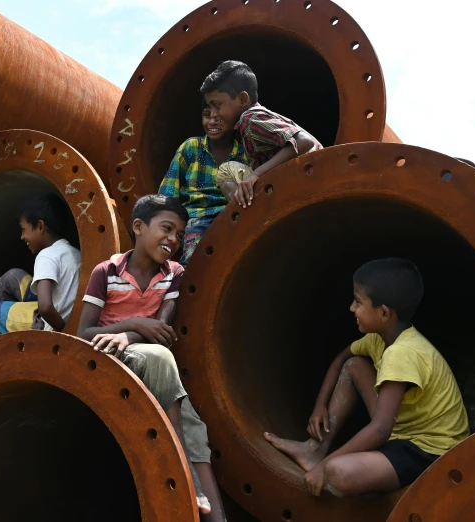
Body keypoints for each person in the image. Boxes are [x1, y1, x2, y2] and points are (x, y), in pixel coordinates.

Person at [264, 258, 470, 497]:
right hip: (399, 431)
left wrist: (324, 467)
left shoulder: (402, 354)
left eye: (358, 302)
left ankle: (329, 462)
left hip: (428, 452)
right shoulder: (378, 337)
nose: (352, 308)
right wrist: (320, 405)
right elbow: (341, 359)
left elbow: (380, 430)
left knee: (337, 472)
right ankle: (315, 449)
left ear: (384, 313)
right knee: (355, 365)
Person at [77, 194, 226, 520]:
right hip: (113, 360)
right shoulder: (107, 271)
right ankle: (186, 473)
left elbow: (161, 327)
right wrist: (132, 324)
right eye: (167, 228)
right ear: (139, 227)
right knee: (158, 357)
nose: (173, 239)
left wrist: (128, 332)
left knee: (195, 427)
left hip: (155, 365)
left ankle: (217, 515)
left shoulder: (173, 273)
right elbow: (83, 334)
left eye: (179, 233)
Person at [201, 60, 323, 209]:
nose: (213, 114)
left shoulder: (250, 119)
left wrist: (255, 175)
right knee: (229, 167)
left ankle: (249, 214)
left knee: (226, 171)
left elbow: (304, 141)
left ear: (242, 99)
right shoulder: (250, 121)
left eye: (217, 105)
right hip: (302, 176)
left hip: (309, 176)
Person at [0, 194, 81, 338]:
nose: (22, 237)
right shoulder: (75, 253)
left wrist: (67, 333)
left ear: (40, 226)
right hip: (61, 310)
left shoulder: (47, 255)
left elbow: (46, 308)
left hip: (47, 325)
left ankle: (13, 343)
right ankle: (12, 321)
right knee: (11, 277)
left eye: (24, 229)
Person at [158, 99, 254, 266]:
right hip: (197, 217)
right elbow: (168, 192)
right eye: (206, 116)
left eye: (218, 118)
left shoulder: (243, 153)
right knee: (194, 260)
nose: (211, 122)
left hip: (231, 214)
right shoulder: (191, 147)